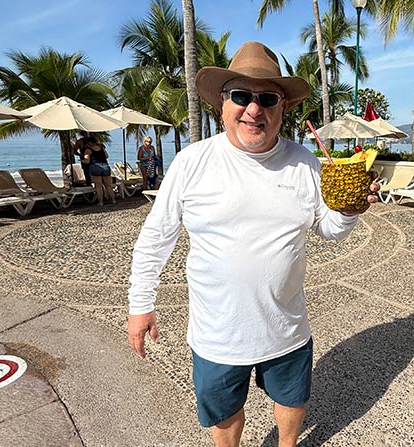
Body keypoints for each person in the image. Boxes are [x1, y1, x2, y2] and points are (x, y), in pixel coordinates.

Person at [127, 41, 379, 447]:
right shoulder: (192, 162)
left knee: (292, 400)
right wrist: (141, 304)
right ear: (222, 104)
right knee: (224, 413)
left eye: (267, 98)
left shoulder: (304, 162)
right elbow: (156, 237)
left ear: (283, 107)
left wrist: (349, 210)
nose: (254, 109)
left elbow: (329, 228)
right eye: (241, 96)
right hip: (217, 334)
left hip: (286, 327)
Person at [83, 136, 116, 206]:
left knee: (98, 186)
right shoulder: (101, 147)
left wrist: (82, 160)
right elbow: (106, 156)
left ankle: (101, 202)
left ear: (89, 143)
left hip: (95, 166)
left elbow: (87, 161)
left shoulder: (88, 150)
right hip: (105, 166)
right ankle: (113, 200)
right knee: (108, 185)